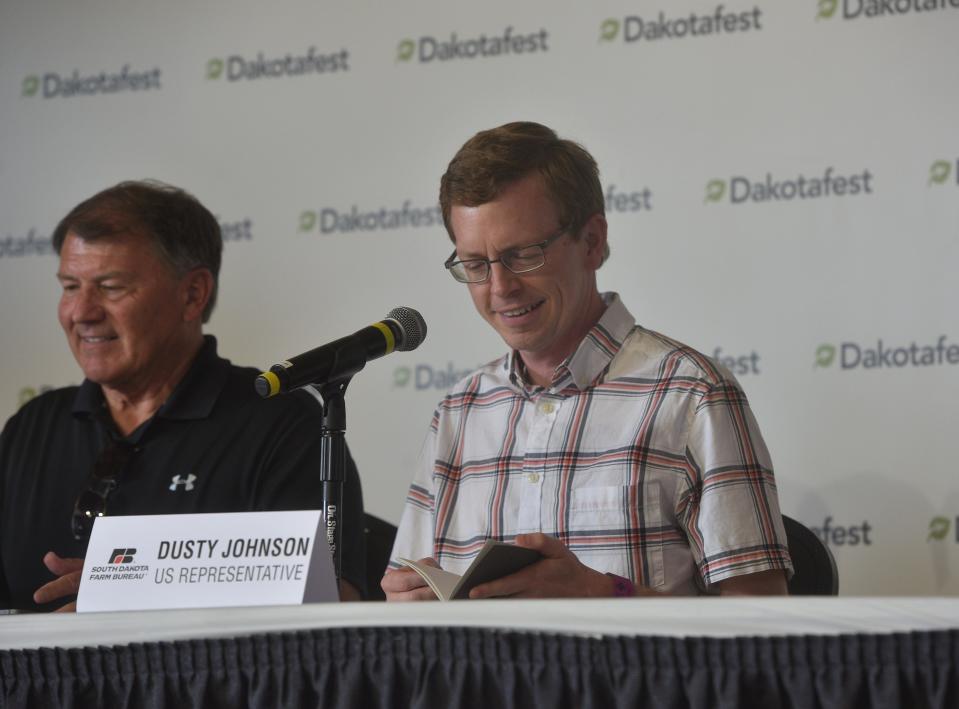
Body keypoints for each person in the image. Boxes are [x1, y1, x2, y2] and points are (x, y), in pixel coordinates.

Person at [383, 122, 792, 600]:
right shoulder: (460, 410)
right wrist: (408, 602)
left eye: (523, 255)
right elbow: (405, 592)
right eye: (475, 265)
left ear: (592, 241)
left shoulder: (691, 395)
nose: (500, 288)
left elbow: (760, 623)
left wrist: (604, 595)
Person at [0, 181, 365, 610]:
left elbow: (331, 602)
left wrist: (138, 595)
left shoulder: (280, 424)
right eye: (69, 287)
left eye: (111, 287)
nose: (82, 312)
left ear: (192, 294)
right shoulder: (33, 426)